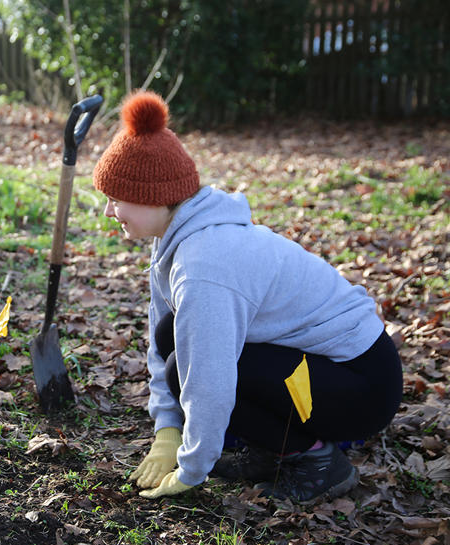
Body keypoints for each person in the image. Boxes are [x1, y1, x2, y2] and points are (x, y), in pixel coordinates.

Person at [92, 91, 402, 502]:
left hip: (360, 388)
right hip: (324, 372)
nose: (109, 212)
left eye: (116, 199)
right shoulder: (176, 238)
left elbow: (210, 382)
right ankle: (272, 448)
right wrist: (168, 429)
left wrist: (192, 468)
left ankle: (316, 460)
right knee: (173, 337)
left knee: (185, 369)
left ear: (155, 197)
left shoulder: (205, 266)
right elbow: (158, 336)